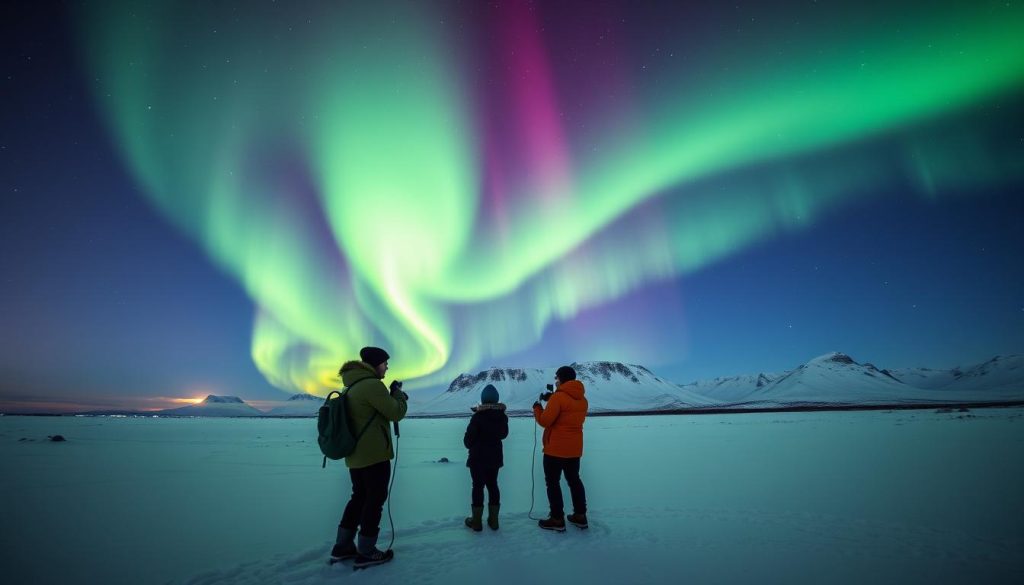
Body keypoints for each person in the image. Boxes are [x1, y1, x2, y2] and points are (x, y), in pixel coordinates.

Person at [331, 346, 408, 568]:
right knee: (374, 501)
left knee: (359, 498)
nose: (387, 367)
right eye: (385, 363)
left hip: (356, 456)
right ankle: (366, 551)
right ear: (375, 364)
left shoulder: (351, 386)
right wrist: (399, 396)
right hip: (374, 456)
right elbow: (395, 412)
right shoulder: (372, 385)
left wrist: (392, 396)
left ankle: (343, 546)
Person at [532, 365, 588, 532]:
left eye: (556, 378)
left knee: (553, 483)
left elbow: (545, 421)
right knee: (574, 481)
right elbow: (567, 413)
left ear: (562, 379)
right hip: (574, 449)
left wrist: (537, 408)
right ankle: (580, 516)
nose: (555, 381)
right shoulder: (583, 399)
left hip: (555, 450)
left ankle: (557, 519)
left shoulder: (558, 398)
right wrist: (553, 399)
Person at [463, 384, 509, 531]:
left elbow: (468, 441)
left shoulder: (477, 417)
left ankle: (476, 522)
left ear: (483, 400)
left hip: (477, 459)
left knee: (478, 486)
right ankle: (493, 521)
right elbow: (503, 434)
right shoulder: (502, 417)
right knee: (493, 485)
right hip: (494, 458)